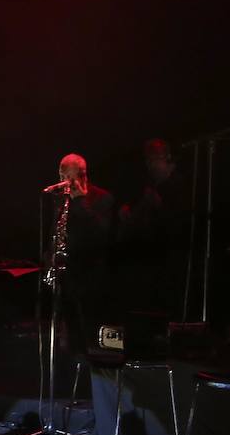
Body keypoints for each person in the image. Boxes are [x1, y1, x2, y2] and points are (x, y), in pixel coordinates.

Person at [117, 139, 191, 317]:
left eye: (154, 159)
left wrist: (158, 207)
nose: (150, 165)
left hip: (171, 258)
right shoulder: (149, 183)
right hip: (149, 258)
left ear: (167, 158)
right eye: (148, 160)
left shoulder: (179, 185)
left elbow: (180, 223)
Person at [50, 152, 115, 351]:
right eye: (61, 177)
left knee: (93, 331)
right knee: (72, 331)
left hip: (92, 276)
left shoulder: (102, 198)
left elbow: (101, 232)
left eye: (68, 178)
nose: (64, 182)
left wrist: (80, 201)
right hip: (68, 274)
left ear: (82, 175)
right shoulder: (62, 198)